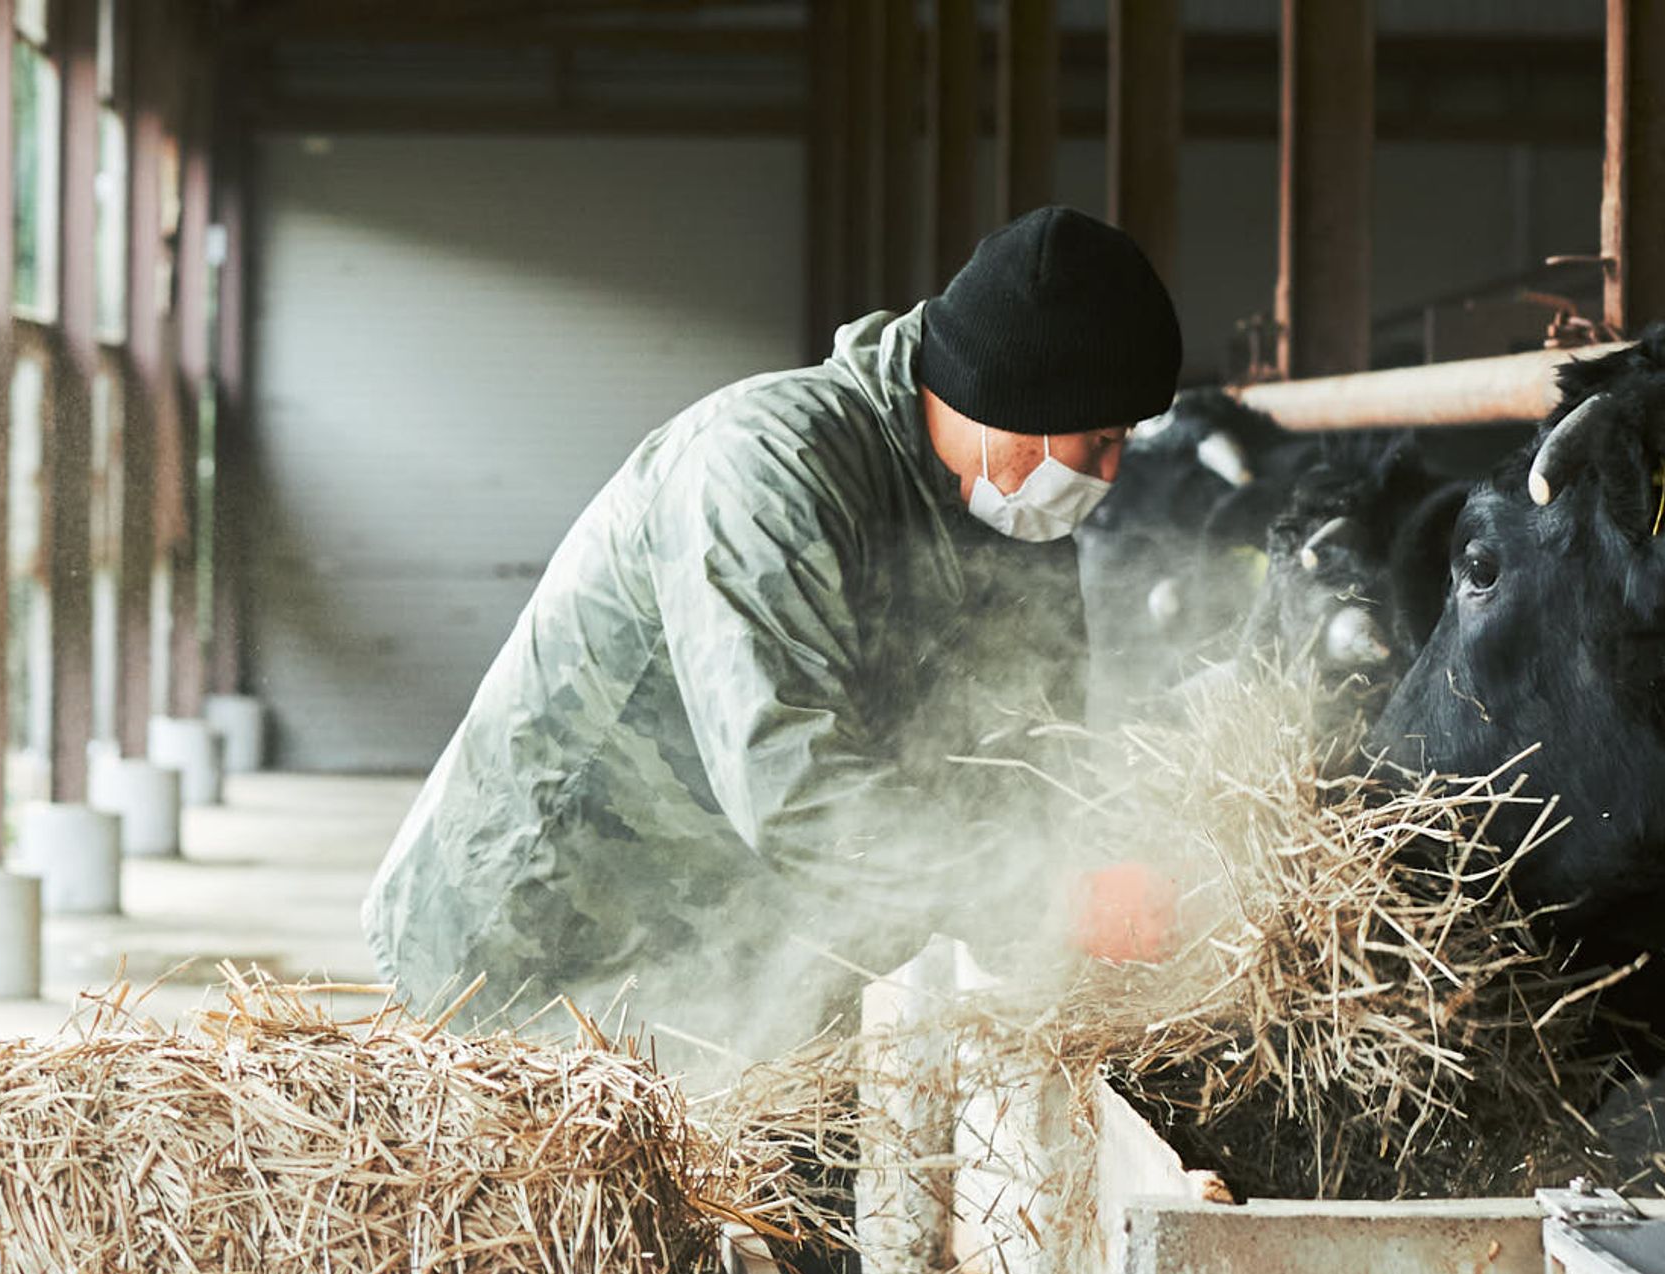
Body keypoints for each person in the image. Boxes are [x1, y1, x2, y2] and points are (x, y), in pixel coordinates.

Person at [364, 206, 1183, 1085]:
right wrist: (1049, 900)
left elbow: (1037, 753)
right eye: (1098, 439)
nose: (1107, 476)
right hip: (542, 946)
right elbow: (795, 787)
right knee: (564, 1210)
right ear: (1018, 394)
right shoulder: (764, 469)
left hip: (727, 962)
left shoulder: (1014, 521)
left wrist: (1114, 861)